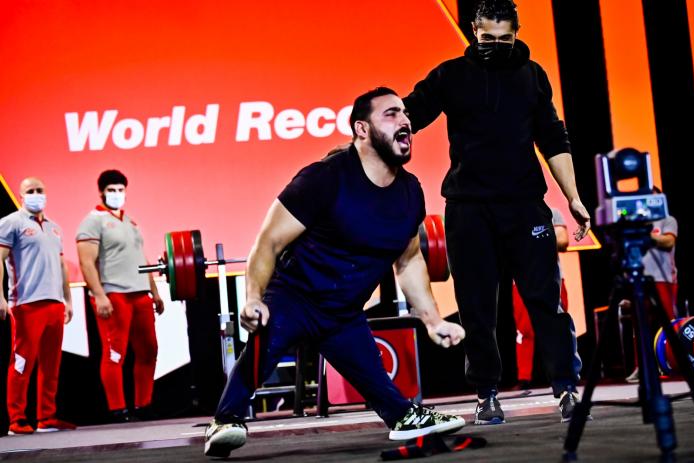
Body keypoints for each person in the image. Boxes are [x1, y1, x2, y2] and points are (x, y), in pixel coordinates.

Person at [204, 87, 466, 458]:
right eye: (391, 114)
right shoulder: (323, 179)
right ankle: (226, 421)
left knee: (386, 393)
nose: (405, 121)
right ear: (361, 129)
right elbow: (268, 243)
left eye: (405, 113)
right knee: (261, 345)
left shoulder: (410, 192)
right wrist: (252, 299)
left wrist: (432, 319)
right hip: (294, 297)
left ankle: (403, 417)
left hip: (343, 312)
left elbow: (408, 261)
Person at [403, 0, 591, 424]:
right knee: (476, 308)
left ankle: (565, 388)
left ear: (517, 33)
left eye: (505, 39)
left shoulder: (532, 75)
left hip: (525, 206)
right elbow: (407, 117)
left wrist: (574, 198)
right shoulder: (450, 75)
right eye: (488, 39)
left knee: (547, 302)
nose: (496, 46)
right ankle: (486, 393)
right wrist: (373, 135)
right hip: (469, 208)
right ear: (473, 31)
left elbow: (554, 139)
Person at [76, 170, 164, 422]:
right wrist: (99, 295)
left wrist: (155, 292)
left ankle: (143, 405)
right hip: (114, 294)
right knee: (115, 353)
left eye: (120, 189)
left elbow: (141, 258)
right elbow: (86, 262)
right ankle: (117, 409)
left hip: (140, 295)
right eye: (112, 190)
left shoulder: (130, 221)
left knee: (149, 350)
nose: (117, 194)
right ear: (102, 192)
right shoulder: (93, 221)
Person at [0, 177, 75, 434]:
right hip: (26, 304)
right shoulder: (10, 223)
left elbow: (61, 264)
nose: (35, 194)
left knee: (51, 364)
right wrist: (0, 297)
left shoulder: (55, 228)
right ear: (21, 195)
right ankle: (16, 419)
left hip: (54, 303)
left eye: (39, 190)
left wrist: (68, 298)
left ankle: (46, 417)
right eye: (30, 191)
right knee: (22, 362)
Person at [513, 207, 580, 389]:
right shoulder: (509, 212)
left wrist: (533, 238)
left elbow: (563, 241)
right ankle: (524, 378)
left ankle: (568, 373)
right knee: (524, 330)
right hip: (520, 280)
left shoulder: (552, 212)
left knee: (559, 326)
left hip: (552, 277)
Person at [624, 207, 678, 383]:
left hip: (663, 279)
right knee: (639, 326)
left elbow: (669, 242)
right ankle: (643, 367)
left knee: (668, 324)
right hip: (639, 280)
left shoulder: (668, 219)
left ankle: (674, 362)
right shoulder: (636, 224)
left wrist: (648, 236)